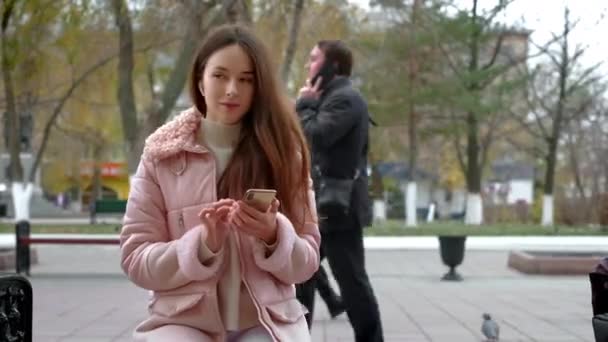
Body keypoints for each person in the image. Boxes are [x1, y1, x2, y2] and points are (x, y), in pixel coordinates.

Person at [120, 24, 320, 342]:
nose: (231, 90)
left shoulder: (283, 153)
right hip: (182, 321)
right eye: (220, 76)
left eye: (246, 80)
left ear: (259, 88)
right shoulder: (161, 155)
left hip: (265, 320)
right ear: (200, 80)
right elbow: (136, 258)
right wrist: (200, 246)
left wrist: (273, 235)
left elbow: (307, 262)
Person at [295, 40, 384, 342]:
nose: (308, 65)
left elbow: (317, 135)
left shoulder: (345, 99)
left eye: (313, 59)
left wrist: (305, 104)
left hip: (339, 208)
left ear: (332, 66)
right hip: (324, 205)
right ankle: (296, 335)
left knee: (352, 283)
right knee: (302, 272)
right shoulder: (333, 97)